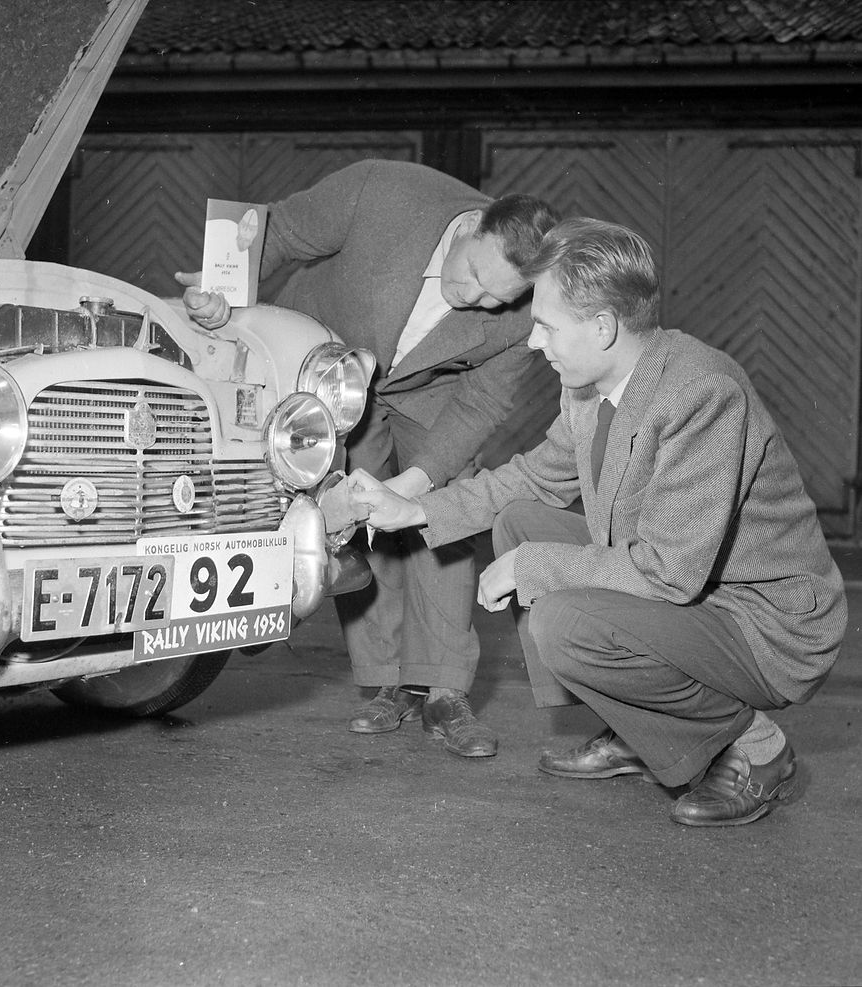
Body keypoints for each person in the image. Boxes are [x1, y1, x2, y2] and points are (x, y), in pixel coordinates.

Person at [349, 216, 847, 826]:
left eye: (546, 326)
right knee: (521, 520)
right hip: (696, 594)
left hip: (764, 623)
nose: (534, 344)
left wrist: (531, 568)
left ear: (604, 327)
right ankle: (637, 729)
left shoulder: (701, 395)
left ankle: (758, 748)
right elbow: (534, 476)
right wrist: (416, 508)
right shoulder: (590, 386)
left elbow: (669, 573)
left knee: (561, 618)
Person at [176, 159, 558, 758]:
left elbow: (482, 402)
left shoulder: (524, 311)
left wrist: (413, 487)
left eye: (497, 298)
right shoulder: (383, 192)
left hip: (431, 395)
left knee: (443, 511)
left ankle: (442, 690)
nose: (477, 300)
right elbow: (277, 230)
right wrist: (221, 292)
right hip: (328, 360)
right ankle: (384, 685)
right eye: (476, 275)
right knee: (344, 514)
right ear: (472, 225)